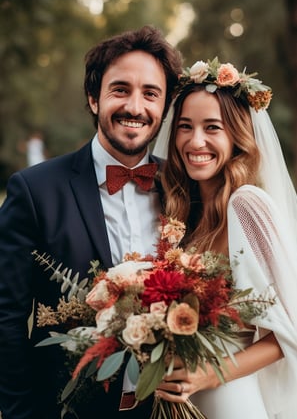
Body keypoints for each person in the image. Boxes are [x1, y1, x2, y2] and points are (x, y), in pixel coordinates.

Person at [0, 25, 183, 419]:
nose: (135, 106)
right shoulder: (34, 191)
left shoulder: (187, 190)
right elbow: (6, 317)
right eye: (120, 89)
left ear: (165, 107)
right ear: (93, 98)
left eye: (151, 93)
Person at [153, 59, 297, 418]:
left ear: (236, 135)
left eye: (212, 127)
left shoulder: (246, 205)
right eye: (185, 126)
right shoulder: (187, 213)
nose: (195, 140)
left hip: (231, 400)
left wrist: (209, 375)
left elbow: (289, 331)